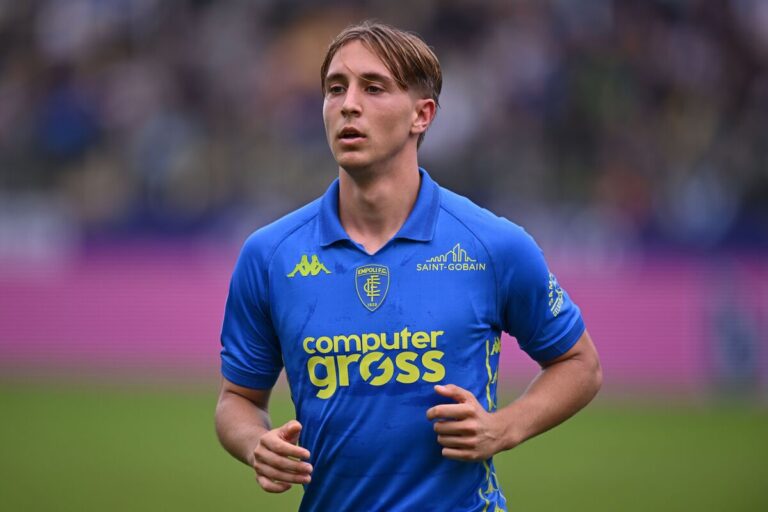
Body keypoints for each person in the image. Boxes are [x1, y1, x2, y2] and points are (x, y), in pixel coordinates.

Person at [215, 21, 602, 512]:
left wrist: (505, 426)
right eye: (336, 89)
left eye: (373, 88)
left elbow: (580, 364)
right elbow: (237, 400)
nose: (348, 104)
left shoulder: (492, 245)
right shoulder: (270, 255)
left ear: (423, 115)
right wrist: (256, 444)